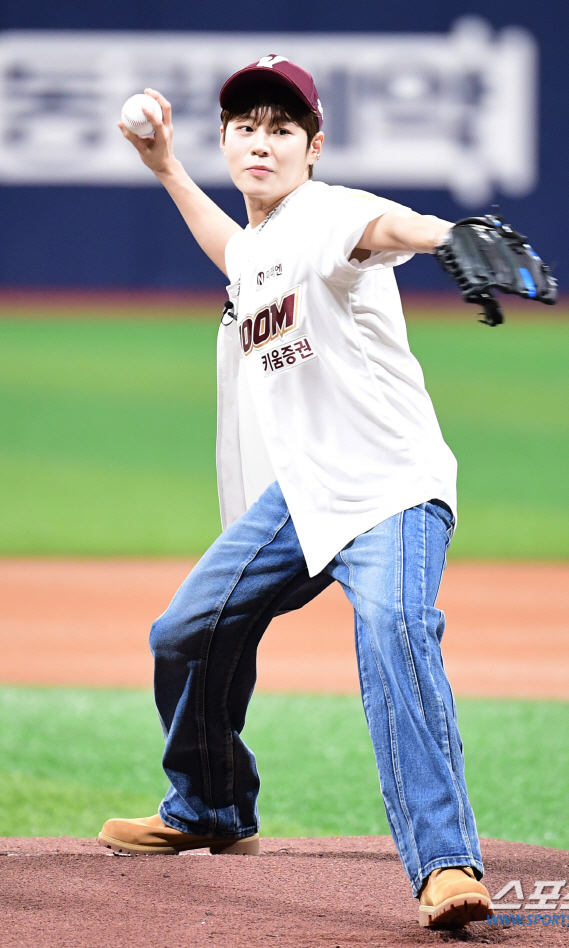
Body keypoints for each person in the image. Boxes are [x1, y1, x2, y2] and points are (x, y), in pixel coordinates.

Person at [98, 55, 493, 930]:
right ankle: (211, 807)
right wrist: (166, 166)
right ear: (229, 141)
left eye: (282, 130)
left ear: (315, 147)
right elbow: (235, 253)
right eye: (245, 128)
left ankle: (446, 865)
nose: (261, 143)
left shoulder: (325, 213)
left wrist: (446, 236)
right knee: (187, 631)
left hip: (392, 491)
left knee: (393, 633)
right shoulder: (263, 245)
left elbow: (381, 226)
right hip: (304, 497)